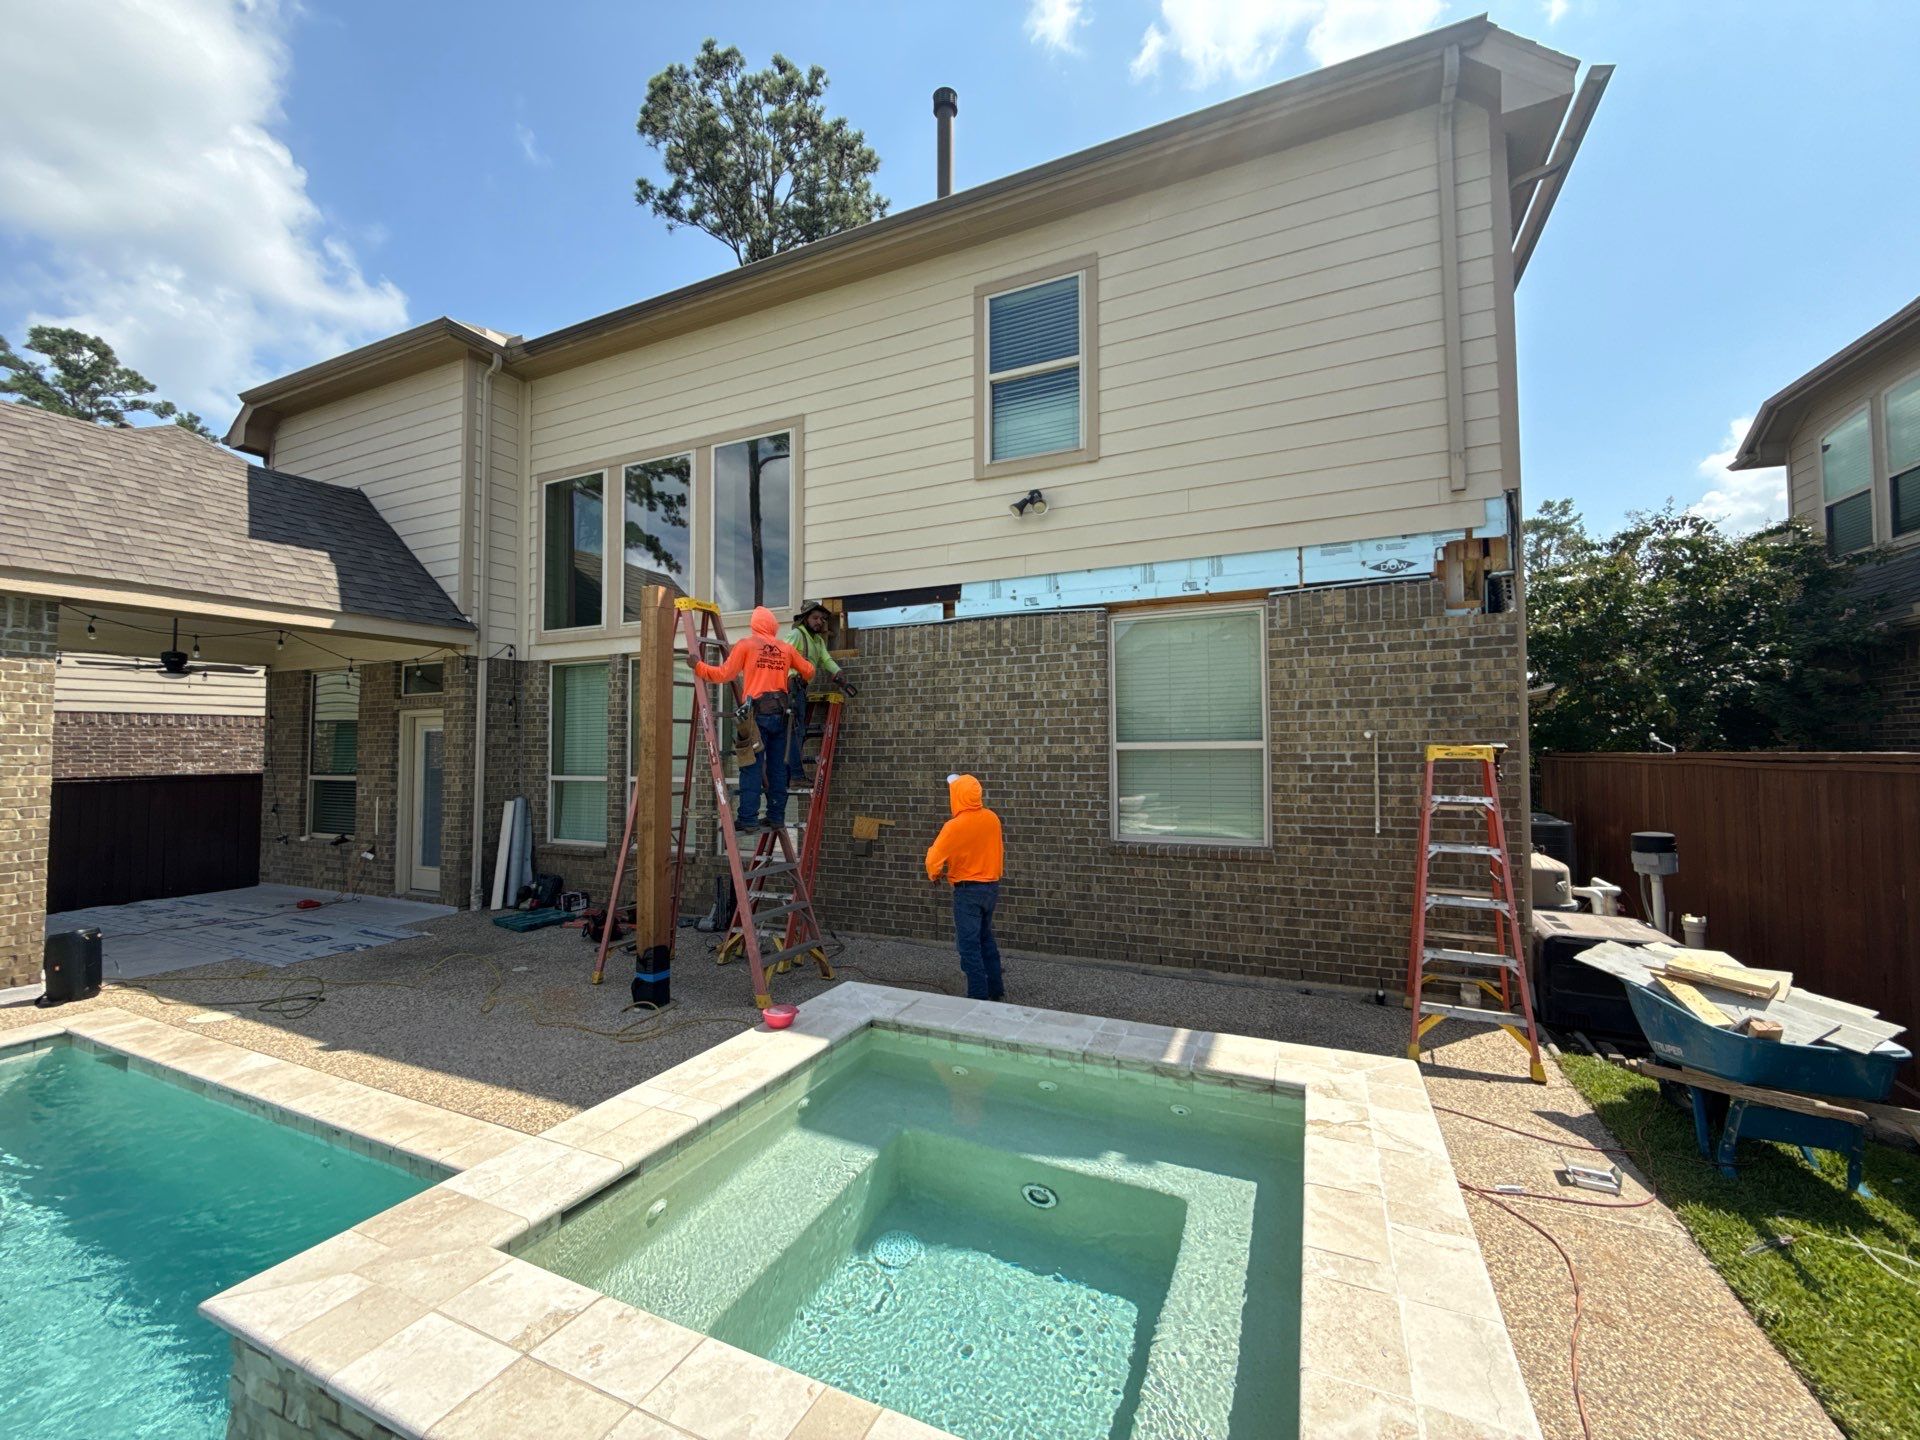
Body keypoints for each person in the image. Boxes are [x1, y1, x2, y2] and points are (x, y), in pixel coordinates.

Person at [691, 606, 813, 832]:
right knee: (777, 768)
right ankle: (776, 816)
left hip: (756, 716)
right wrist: (790, 679)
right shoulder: (786, 649)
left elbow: (723, 674)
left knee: (751, 767)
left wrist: (698, 667)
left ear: (755, 624)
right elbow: (809, 670)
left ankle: (748, 819)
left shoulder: (747, 645)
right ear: (774, 626)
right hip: (781, 715)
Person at [925, 773, 1006, 1001]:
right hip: (991, 888)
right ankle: (996, 989)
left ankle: (977, 998)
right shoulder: (992, 818)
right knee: (985, 938)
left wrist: (935, 874)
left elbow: (934, 858)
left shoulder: (954, 826)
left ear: (957, 796)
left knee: (969, 946)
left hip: (968, 891)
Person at [785, 600, 854, 779]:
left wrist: (839, 674)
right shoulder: (797, 634)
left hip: (801, 689)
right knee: (794, 732)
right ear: (805, 618)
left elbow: (826, 659)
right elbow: (782, 656)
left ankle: (792, 774)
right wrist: (790, 678)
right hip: (791, 688)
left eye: (821, 619)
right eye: (815, 618)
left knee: (798, 732)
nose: (819, 622)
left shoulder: (817, 641)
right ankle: (794, 775)